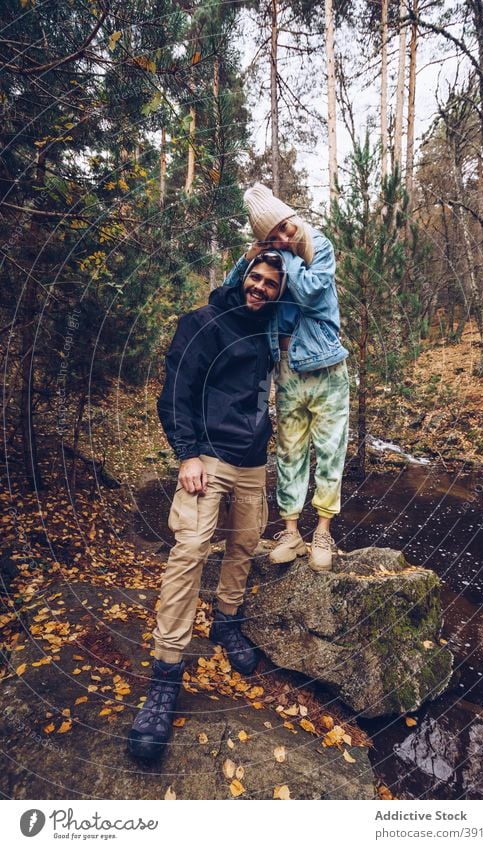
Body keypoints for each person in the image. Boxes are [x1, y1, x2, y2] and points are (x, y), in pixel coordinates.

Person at [127, 250, 287, 762]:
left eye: (271, 284)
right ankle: (165, 673)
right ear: (242, 275)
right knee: (191, 548)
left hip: (254, 460)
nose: (260, 288)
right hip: (208, 458)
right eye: (255, 278)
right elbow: (176, 390)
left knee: (244, 543)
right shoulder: (201, 323)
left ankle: (227, 620)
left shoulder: (271, 330)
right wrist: (187, 453)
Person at [224, 183, 349, 572]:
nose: (280, 238)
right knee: (290, 452)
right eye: (270, 236)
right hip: (287, 370)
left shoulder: (319, 246)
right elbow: (232, 291)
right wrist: (250, 256)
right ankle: (292, 532)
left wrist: (284, 253)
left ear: (290, 216)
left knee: (329, 451)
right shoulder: (271, 255)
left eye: (282, 228)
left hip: (327, 368)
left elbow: (312, 294)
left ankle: (323, 531)